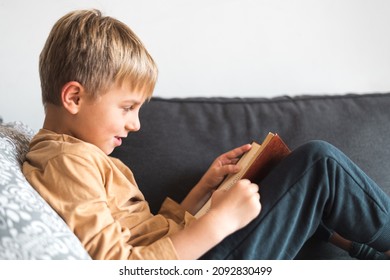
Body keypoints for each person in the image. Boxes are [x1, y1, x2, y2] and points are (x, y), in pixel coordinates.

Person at [22, 9, 390, 260]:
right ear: (74, 97)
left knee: (285, 187)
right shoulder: (66, 162)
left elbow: (145, 234)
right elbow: (119, 266)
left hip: (201, 257)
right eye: (127, 107)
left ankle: (373, 254)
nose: (135, 124)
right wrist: (220, 221)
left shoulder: (79, 156)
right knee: (318, 164)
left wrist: (205, 190)